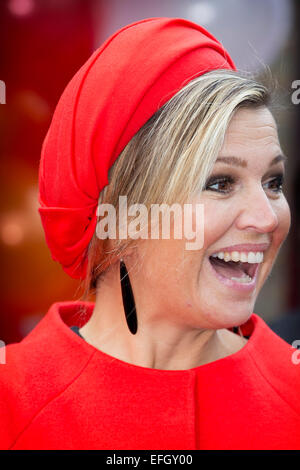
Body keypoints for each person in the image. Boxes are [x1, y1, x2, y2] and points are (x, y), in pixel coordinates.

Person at [1, 17, 299, 451]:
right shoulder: (12, 408)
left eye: (273, 182)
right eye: (220, 183)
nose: (268, 218)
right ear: (119, 213)